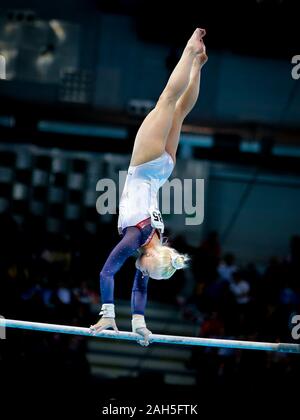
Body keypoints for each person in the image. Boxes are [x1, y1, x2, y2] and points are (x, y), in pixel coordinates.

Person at [90, 28, 208, 345]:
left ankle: (197, 65)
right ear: (151, 258)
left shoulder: (152, 241)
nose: (140, 270)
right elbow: (106, 272)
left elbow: (140, 285)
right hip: (146, 165)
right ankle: (189, 50)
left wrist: (140, 325)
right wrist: (108, 313)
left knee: (179, 110)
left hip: (163, 168)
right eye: (145, 268)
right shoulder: (135, 238)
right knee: (167, 101)